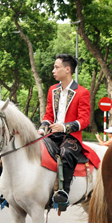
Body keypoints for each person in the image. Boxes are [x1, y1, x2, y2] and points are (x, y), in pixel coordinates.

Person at [38, 54, 91, 210]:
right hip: (51, 134)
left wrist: (64, 127)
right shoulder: (52, 90)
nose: (53, 70)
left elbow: (84, 120)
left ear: (67, 70)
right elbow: (48, 115)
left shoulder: (82, 92)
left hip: (71, 137)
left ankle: (63, 193)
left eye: (56, 67)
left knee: (66, 152)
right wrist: (42, 129)